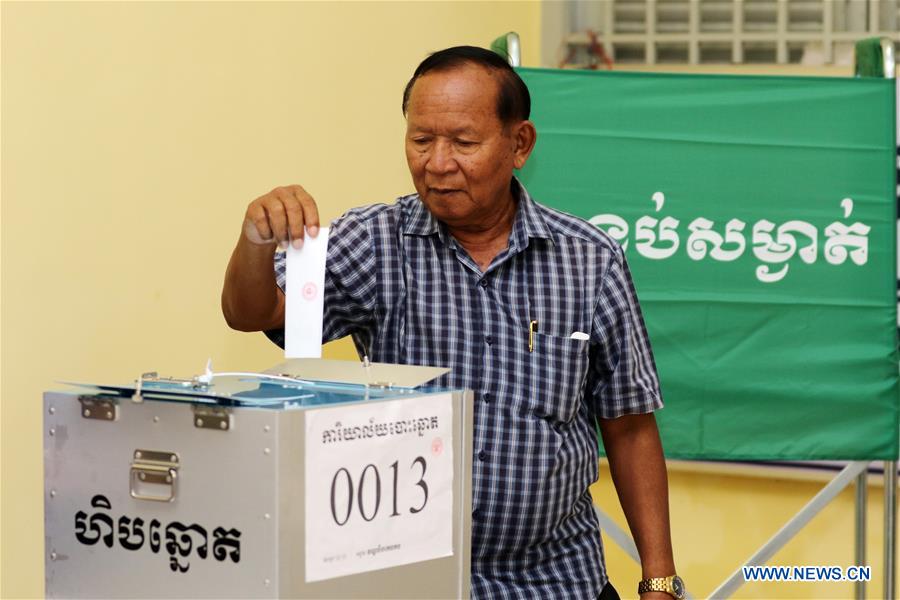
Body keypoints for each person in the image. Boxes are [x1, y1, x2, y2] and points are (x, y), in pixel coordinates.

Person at [222, 46, 681, 600]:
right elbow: (253, 312)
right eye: (421, 140)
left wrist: (658, 579)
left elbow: (628, 424)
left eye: (463, 142)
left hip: (557, 581)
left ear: (520, 144)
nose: (437, 163)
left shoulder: (589, 259)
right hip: (407, 578)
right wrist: (255, 238)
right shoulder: (373, 241)